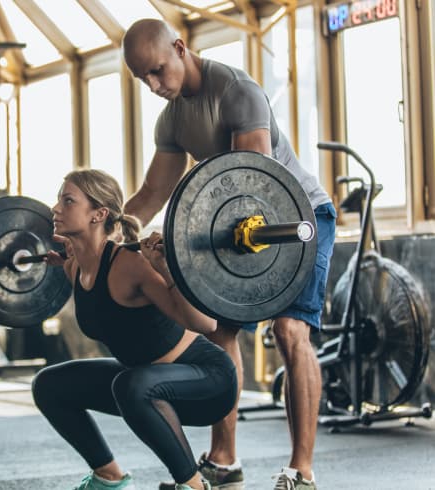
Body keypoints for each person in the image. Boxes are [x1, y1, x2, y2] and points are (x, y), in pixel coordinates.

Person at [121, 18, 336, 490]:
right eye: (143, 79)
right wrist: (107, 230)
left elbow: (250, 186)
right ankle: (224, 459)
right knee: (221, 332)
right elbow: (152, 193)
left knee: (289, 328)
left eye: (157, 71)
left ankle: (302, 469)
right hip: (236, 226)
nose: (154, 86)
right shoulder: (173, 117)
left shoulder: (238, 92)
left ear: (180, 48)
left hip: (296, 219)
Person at [32, 169, 238, 490]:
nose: (56, 208)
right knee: (49, 385)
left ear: (98, 214)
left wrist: (166, 270)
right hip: (144, 382)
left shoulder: (130, 265)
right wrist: (63, 260)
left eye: (68, 201)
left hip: (206, 380)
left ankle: (194, 485)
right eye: (59, 200)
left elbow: (206, 324)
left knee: (131, 384)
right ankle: (109, 477)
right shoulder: (74, 267)